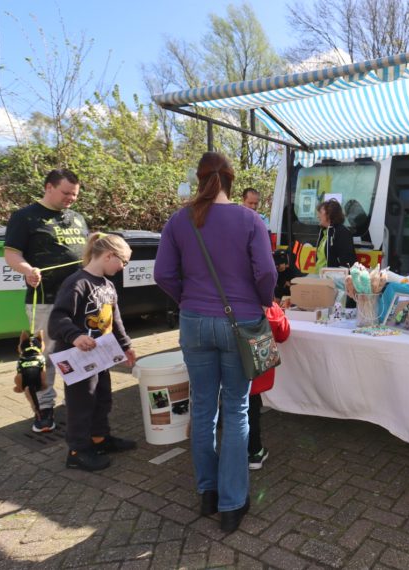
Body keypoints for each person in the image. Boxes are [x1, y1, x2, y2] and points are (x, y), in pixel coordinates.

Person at [154, 152, 277, 533]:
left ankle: (207, 493)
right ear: (230, 180)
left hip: (194, 322)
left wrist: (188, 301)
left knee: (204, 410)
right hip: (240, 322)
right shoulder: (248, 218)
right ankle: (232, 502)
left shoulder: (179, 219)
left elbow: (162, 275)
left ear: (200, 177)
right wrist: (261, 301)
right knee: (237, 410)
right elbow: (267, 272)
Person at [4, 168, 89, 433]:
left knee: (79, 351)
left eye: (74, 195)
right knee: (46, 357)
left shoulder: (77, 218)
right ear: (49, 187)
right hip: (46, 299)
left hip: (79, 299)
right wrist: (27, 270)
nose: (70, 199)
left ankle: (79, 402)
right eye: (66, 193)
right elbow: (12, 254)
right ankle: (44, 409)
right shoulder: (25, 217)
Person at [48, 233, 137, 472]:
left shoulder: (107, 285)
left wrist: (126, 345)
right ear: (109, 255)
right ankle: (77, 451)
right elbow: (57, 318)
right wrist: (75, 336)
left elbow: (114, 320)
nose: (123, 267)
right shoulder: (77, 283)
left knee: (102, 398)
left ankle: (99, 439)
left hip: (101, 357)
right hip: (77, 358)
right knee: (81, 403)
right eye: (123, 262)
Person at [247, 301, 290, 470]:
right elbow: (283, 334)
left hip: (221, 365)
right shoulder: (269, 307)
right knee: (250, 410)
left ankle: (226, 456)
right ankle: (254, 452)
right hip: (252, 371)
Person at [315, 200, 356, 271]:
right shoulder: (324, 231)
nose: (318, 215)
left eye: (320, 212)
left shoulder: (342, 232)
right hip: (321, 278)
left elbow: (347, 262)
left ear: (330, 214)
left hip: (333, 279)